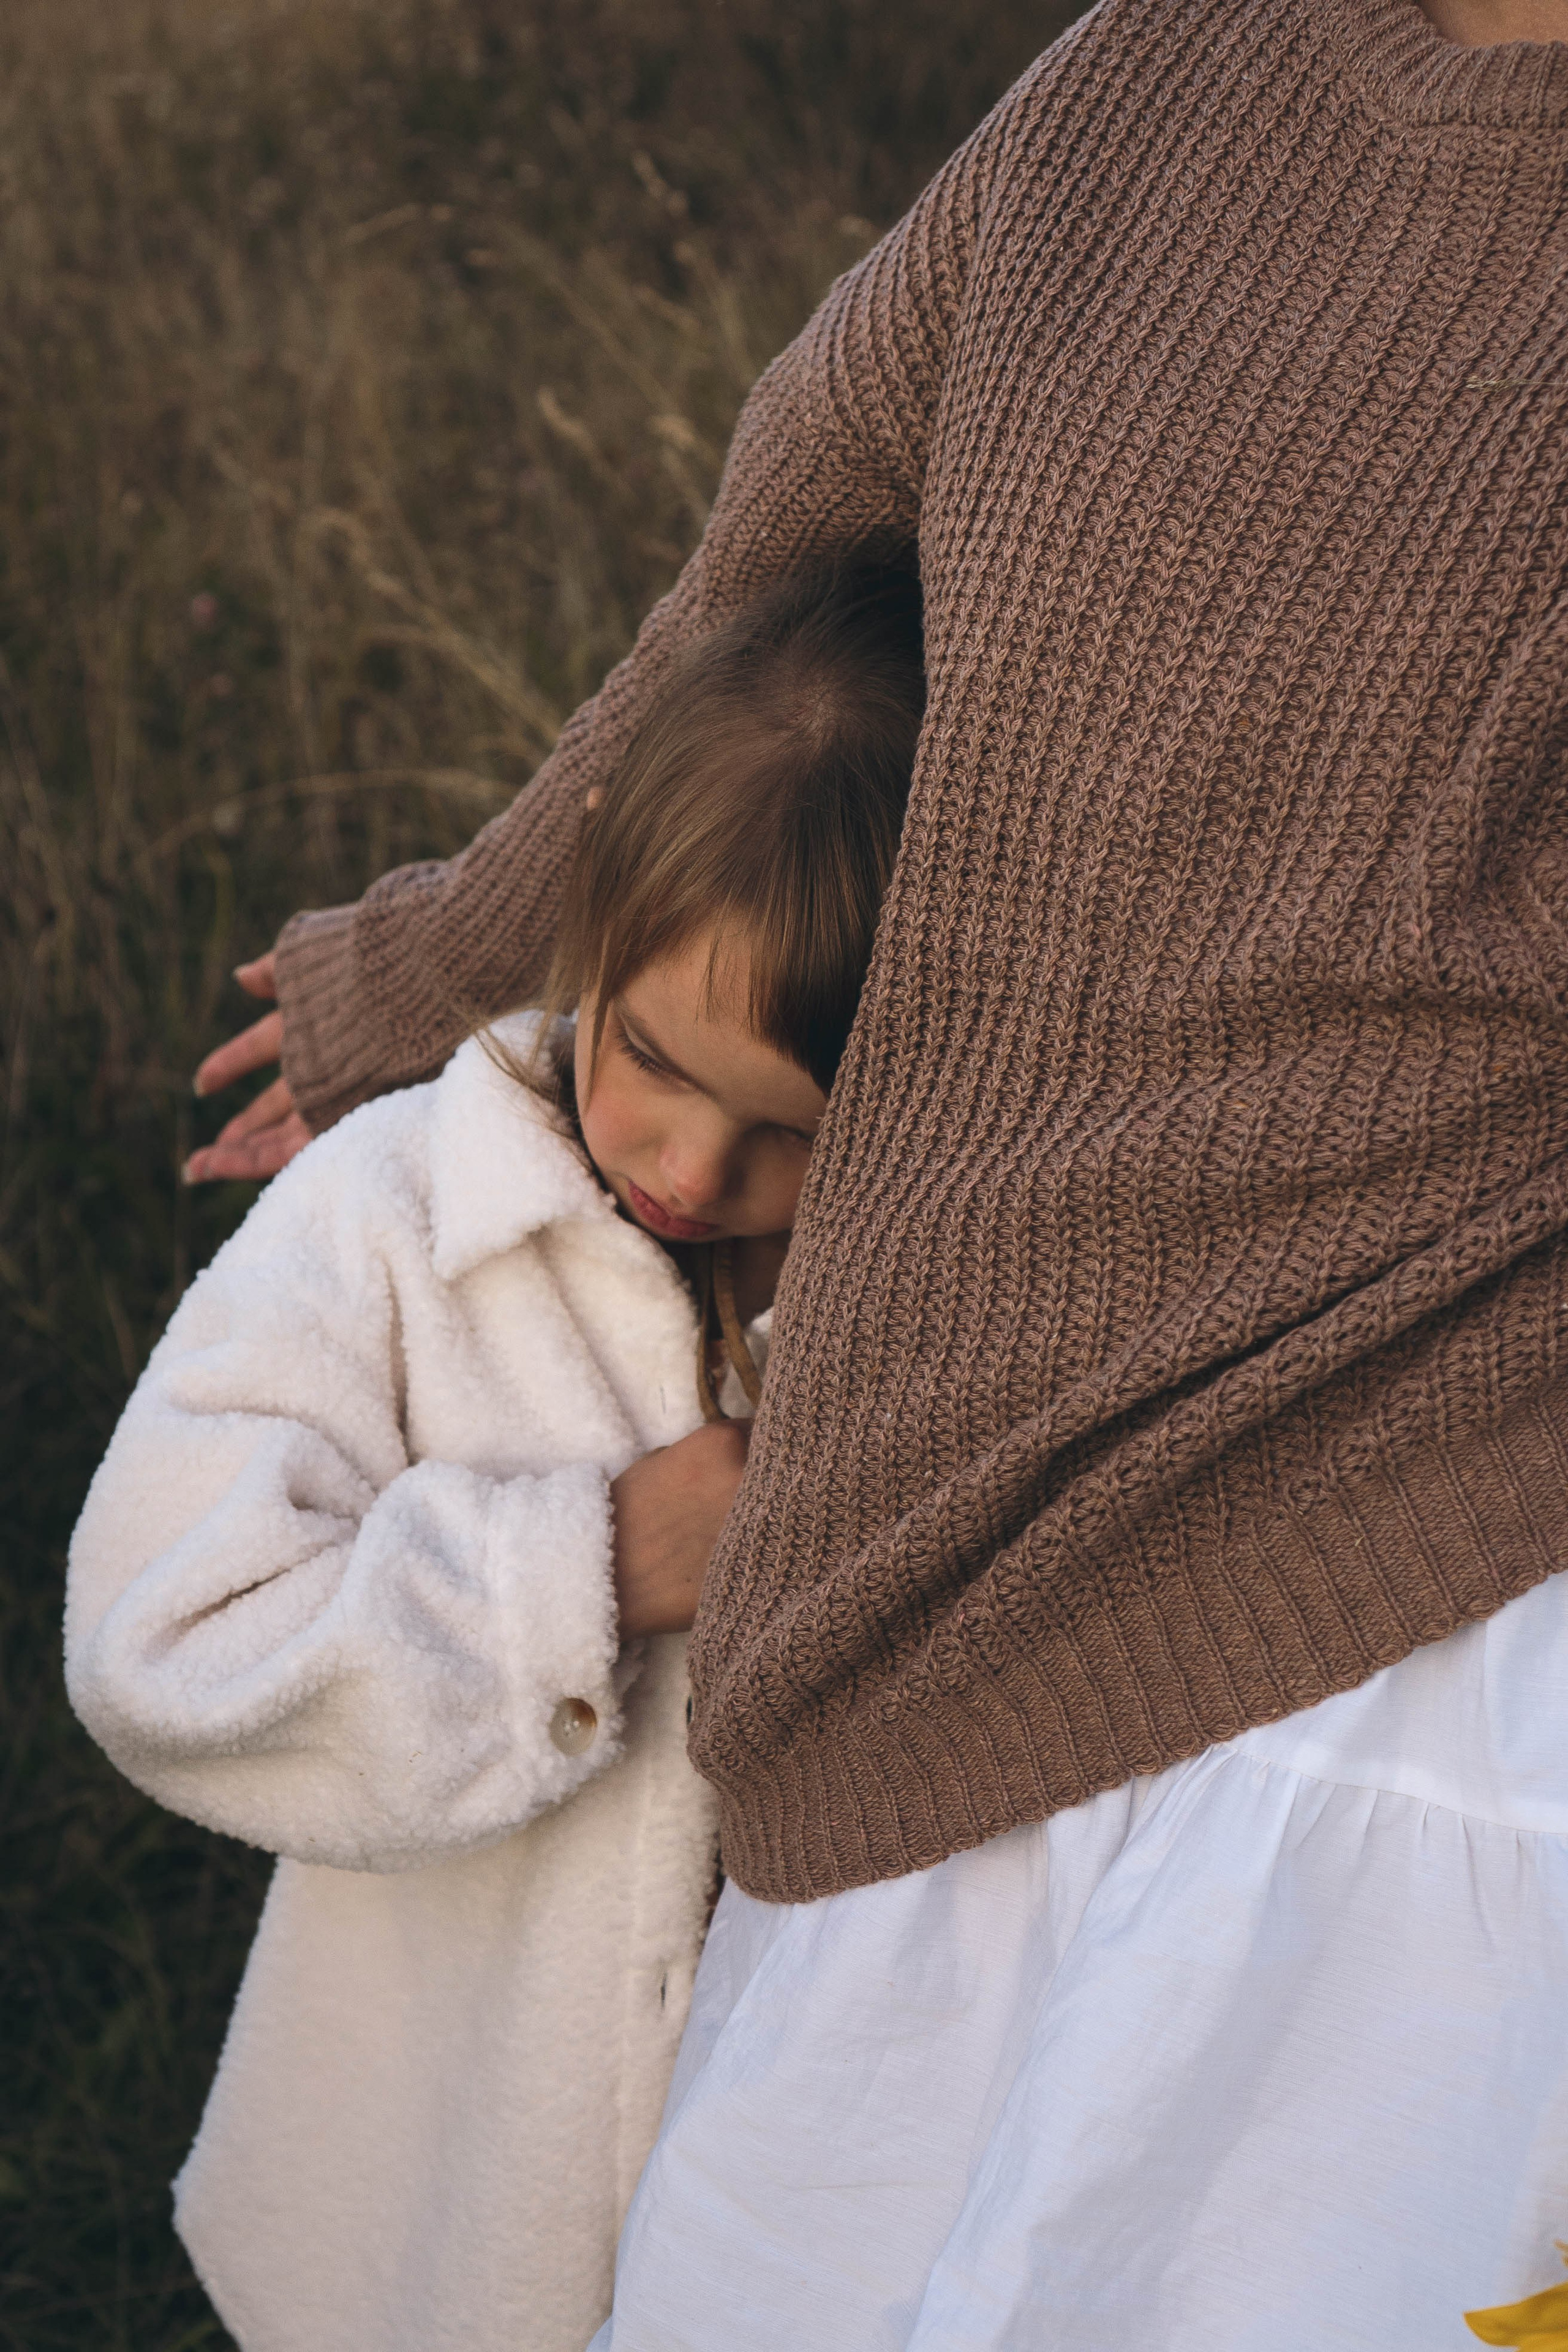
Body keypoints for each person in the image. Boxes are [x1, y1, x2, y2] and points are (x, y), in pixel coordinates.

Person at [184, 0, 1568, 2337]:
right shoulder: (1160, 70)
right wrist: (460, 953)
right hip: (929, 1482)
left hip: (1415, 1580)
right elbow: (788, 570)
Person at [65, 566, 925, 2352]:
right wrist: (592, 1565)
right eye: (651, 1060)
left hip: (797, 2180)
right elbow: (162, 1634)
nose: (688, 1167)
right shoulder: (387, 1222)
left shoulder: (930, 1295)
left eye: (785, 1132)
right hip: (442, 2184)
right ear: (591, 894)